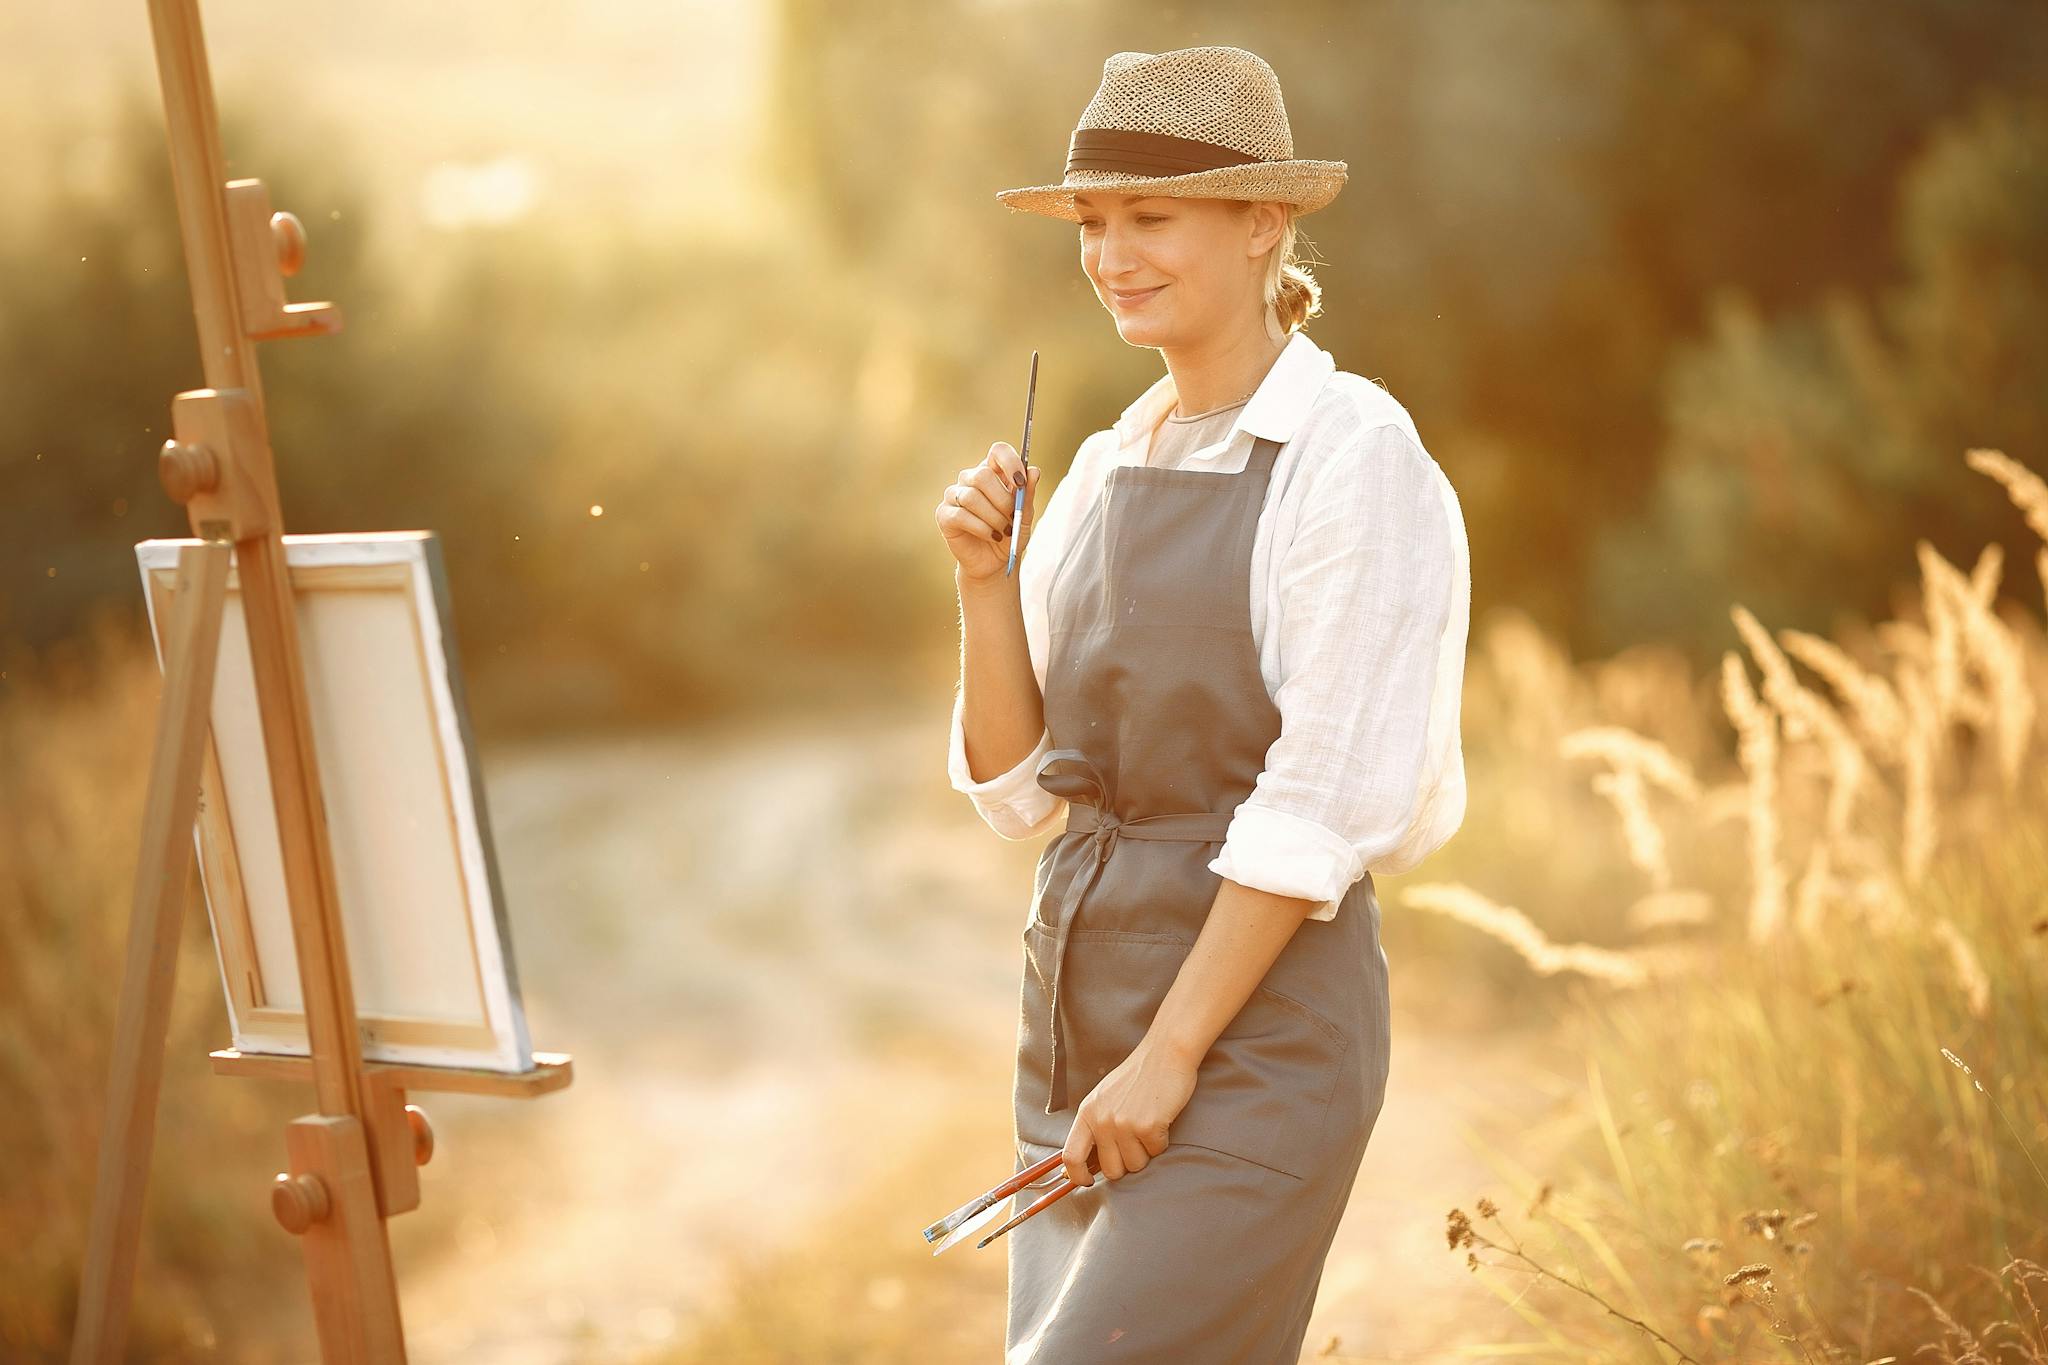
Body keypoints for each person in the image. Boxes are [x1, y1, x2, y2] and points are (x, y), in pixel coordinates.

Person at [934, 45, 1472, 1362]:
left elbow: (1315, 807)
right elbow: (1017, 792)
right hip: (1075, 1031)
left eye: (1149, 217)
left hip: (1255, 1040)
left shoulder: (1354, 457)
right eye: (1094, 223)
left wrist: (1173, 1053)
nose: (1111, 254)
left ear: (1261, 221)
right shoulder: (1117, 459)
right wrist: (982, 586)